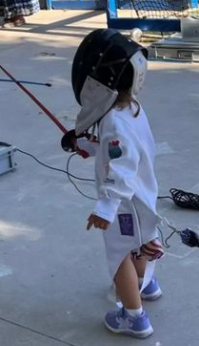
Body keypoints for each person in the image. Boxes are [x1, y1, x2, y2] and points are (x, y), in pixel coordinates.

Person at [66, 29, 163, 339]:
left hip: (125, 204)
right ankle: (145, 284)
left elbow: (120, 168)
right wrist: (90, 147)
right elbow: (123, 152)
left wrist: (105, 209)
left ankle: (134, 318)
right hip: (144, 197)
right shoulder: (131, 109)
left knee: (119, 255)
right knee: (141, 240)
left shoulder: (113, 122)